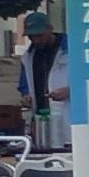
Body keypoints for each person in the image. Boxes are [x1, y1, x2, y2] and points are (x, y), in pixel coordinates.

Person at [18, 19, 72, 150]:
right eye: (31, 37)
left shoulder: (72, 49)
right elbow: (24, 84)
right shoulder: (28, 56)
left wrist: (71, 91)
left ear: (50, 30)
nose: (35, 40)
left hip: (69, 117)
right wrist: (26, 95)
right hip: (41, 119)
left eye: (39, 36)